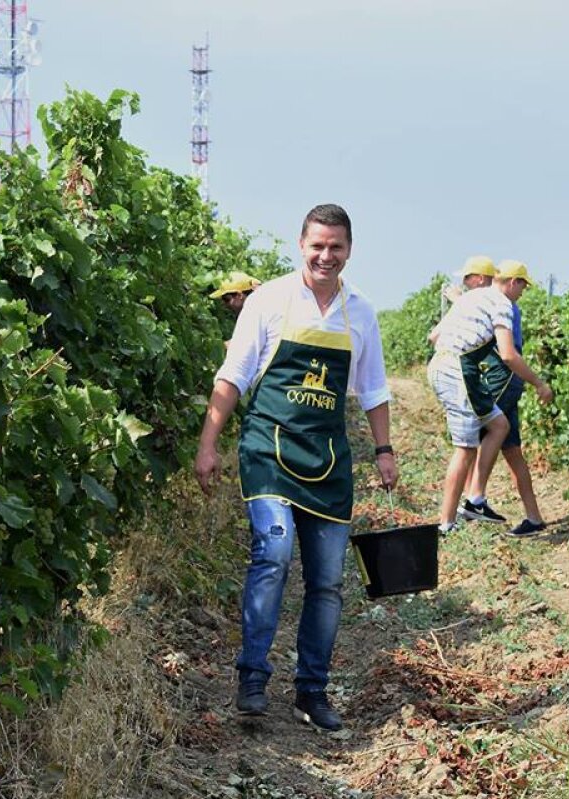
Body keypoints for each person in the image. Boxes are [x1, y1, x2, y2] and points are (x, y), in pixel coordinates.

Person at [193, 204, 398, 732]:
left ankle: (312, 691)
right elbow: (233, 376)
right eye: (317, 246)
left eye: (336, 247)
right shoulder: (269, 300)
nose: (325, 256)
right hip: (268, 449)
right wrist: (208, 444)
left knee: (328, 582)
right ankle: (253, 678)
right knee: (274, 552)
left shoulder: (361, 312)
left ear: (349, 250)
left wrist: (384, 450)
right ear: (301, 245)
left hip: (328, 457)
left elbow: (372, 389)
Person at [426, 260, 551, 535]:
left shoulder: (472, 299)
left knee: (499, 431)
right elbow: (508, 354)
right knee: (468, 445)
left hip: (450, 365)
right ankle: (451, 520)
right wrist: (539, 383)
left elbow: (434, 336)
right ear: (512, 282)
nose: (523, 293)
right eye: (523, 286)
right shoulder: (502, 304)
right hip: (470, 371)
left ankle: (487, 504)